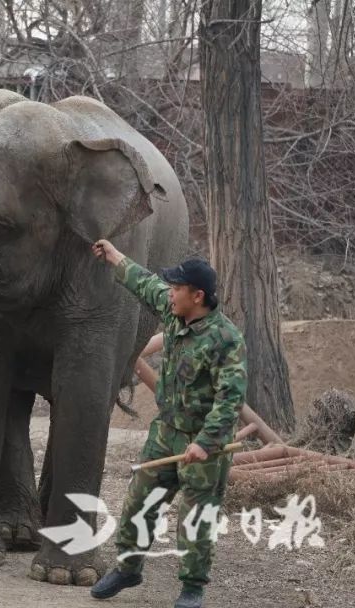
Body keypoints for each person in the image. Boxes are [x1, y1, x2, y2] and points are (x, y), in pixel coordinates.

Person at [90, 240, 247, 608]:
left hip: (203, 445)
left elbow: (230, 399)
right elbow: (144, 283)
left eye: (177, 289)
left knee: (196, 518)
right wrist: (113, 256)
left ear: (198, 295)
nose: (170, 293)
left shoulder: (226, 340)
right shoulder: (174, 312)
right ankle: (128, 568)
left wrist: (206, 442)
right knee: (138, 502)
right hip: (166, 432)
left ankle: (192, 588)